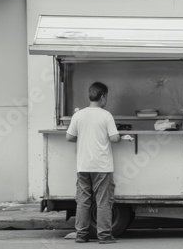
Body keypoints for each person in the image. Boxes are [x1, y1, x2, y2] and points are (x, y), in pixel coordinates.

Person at [66, 82, 121, 244]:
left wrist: (83, 137)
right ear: (103, 96)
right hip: (102, 166)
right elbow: (115, 138)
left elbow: (69, 137)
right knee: (103, 201)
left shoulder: (79, 115)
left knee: (83, 201)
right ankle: (104, 236)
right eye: (107, 97)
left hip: (83, 165)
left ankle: (81, 235)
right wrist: (120, 135)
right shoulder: (106, 115)